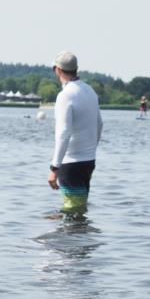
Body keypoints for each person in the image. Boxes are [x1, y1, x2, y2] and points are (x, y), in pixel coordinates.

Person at [48, 51, 102, 215]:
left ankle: (71, 239)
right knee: (79, 210)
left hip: (71, 163)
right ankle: (81, 240)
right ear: (76, 69)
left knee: (72, 212)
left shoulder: (65, 95)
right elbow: (99, 124)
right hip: (88, 161)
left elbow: (63, 133)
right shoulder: (89, 90)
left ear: (57, 70)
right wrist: (91, 150)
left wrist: (54, 167)